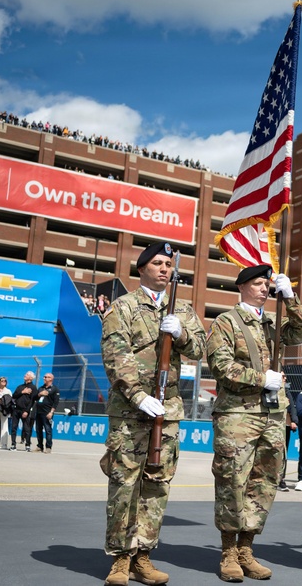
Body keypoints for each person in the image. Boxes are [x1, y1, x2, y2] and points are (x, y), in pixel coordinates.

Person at [100, 240, 206, 586]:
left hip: (168, 409)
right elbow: (116, 356)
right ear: (142, 268)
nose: (164, 269)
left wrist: (182, 333)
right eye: (157, 263)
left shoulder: (182, 309)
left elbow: (200, 348)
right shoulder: (123, 307)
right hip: (131, 410)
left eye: (168, 264)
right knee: (124, 483)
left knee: (157, 485)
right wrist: (137, 395)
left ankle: (143, 555)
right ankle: (120, 558)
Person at [208, 263, 302, 582]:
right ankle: (228, 552)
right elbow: (219, 364)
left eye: (267, 284)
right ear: (241, 287)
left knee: (264, 481)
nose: (264, 288)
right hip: (238, 414)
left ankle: (246, 549)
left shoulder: (272, 323)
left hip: (272, 415)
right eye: (257, 283)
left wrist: (290, 297)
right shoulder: (227, 321)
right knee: (232, 480)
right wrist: (259, 378)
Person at [279, 378, 300, 492]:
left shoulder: (286, 391)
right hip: (271, 424)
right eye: (282, 376)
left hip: (284, 425)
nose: (285, 378)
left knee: (284, 453)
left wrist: (293, 420)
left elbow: (292, 406)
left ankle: (281, 479)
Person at [11, 371, 39, 452]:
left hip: (25, 410)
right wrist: (22, 392)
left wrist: (27, 411)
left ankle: (27, 445)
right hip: (16, 409)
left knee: (27, 428)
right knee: (14, 427)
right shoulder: (20, 387)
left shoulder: (33, 387)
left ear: (31, 378)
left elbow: (32, 400)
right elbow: (14, 396)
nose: (25, 375)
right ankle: (13, 444)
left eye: (27, 375)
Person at [34, 372, 60, 453]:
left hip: (47, 412)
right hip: (39, 411)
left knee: (48, 429)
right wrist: (39, 394)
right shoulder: (41, 388)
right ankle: (40, 446)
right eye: (44, 377)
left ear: (51, 379)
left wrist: (51, 412)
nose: (44, 378)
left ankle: (48, 446)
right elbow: (35, 397)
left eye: (46, 377)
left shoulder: (54, 389)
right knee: (38, 429)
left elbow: (56, 402)